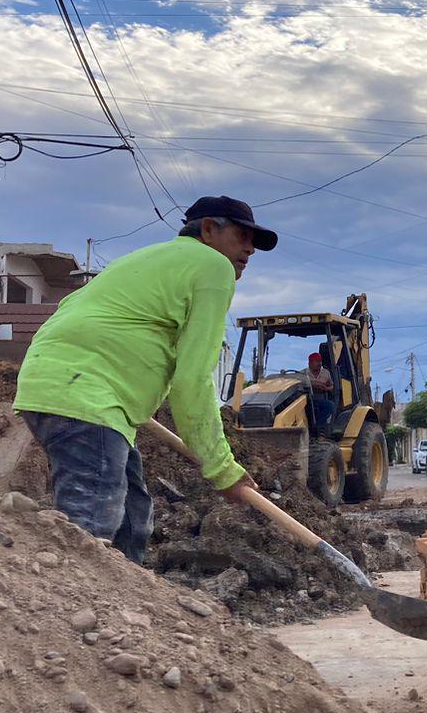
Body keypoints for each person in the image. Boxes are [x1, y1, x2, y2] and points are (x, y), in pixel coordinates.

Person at [14, 196, 277, 563]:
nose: (249, 249)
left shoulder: (147, 258)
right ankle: (73, 610)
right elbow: (192, 382)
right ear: (208, 230)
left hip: (54, 382)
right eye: (241, 235)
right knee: (89, 529)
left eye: (254, 242)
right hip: (88, 398)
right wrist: (222, 469)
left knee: (132, 518)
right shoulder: (212, 267)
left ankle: (130, 609)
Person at [308, 351, 336, 430]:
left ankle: (317, 426)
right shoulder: (303, 374)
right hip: (308, 400)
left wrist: (326, 388)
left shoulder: (326, 373)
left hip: (320, 399)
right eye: (316, 361)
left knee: (330, 406)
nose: (319, 363)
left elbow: (331, 386)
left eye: (320, 361)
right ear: (310, 363)